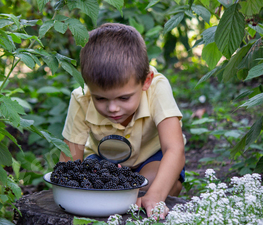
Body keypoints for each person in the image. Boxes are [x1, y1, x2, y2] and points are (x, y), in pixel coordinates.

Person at [60, 23, 185, 219]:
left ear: (146, 81)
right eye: (100, 98)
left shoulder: (157, 88)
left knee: (147, 184)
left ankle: (156, 192)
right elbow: (70, 159)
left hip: (150, 158)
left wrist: (155, 196)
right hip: (104, 161)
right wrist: (71, 189)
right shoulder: (81, 98)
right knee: (92, 183)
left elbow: (174, 149)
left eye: (124, 98)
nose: (112, 108)